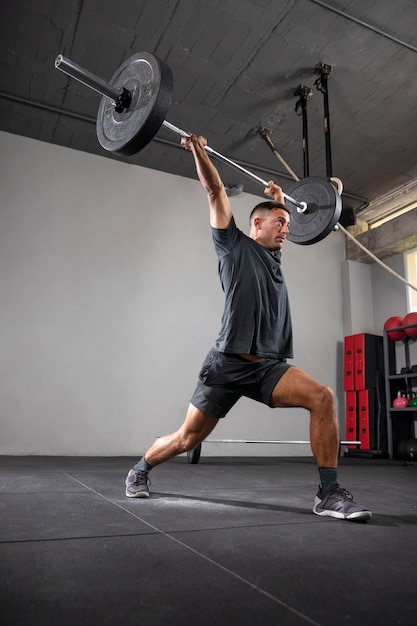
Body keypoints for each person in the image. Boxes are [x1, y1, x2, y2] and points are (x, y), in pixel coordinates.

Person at [125, 133, 372, 522]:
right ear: (256, 223)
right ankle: (140, 468)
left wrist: (281, 199)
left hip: (267, 367)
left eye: (288, 223)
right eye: (279, 222)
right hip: (226, 364)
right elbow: (213, 190)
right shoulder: (233, 246)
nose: (287, 229)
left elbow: (296, 220)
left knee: (322, 397)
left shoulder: (275, 256)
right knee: (188, 438)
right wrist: (200, 152)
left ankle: (328, 494)